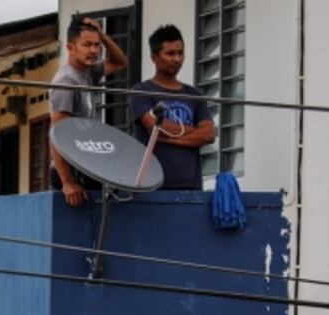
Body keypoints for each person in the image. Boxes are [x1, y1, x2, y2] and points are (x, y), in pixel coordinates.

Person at [49, 15, 129, 207]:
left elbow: (120, 62)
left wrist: (103, 35)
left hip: (87, 162)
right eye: (87, 45)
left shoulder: (87, 72)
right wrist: (68, 183)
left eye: (96, 45)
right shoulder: (66, 82)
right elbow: (55, 134)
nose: (94, 50)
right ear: (70, 47)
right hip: (70, 170)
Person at [129, 25, 216, 189]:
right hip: (152, 186)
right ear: (154, 57)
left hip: (190, 187)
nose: (177, 59)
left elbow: (209, 134)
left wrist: (168, 138)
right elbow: (156, 128)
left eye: (180, 53)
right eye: (170, 53)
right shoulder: (141, 91)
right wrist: (192, 131)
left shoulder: (194, 94)